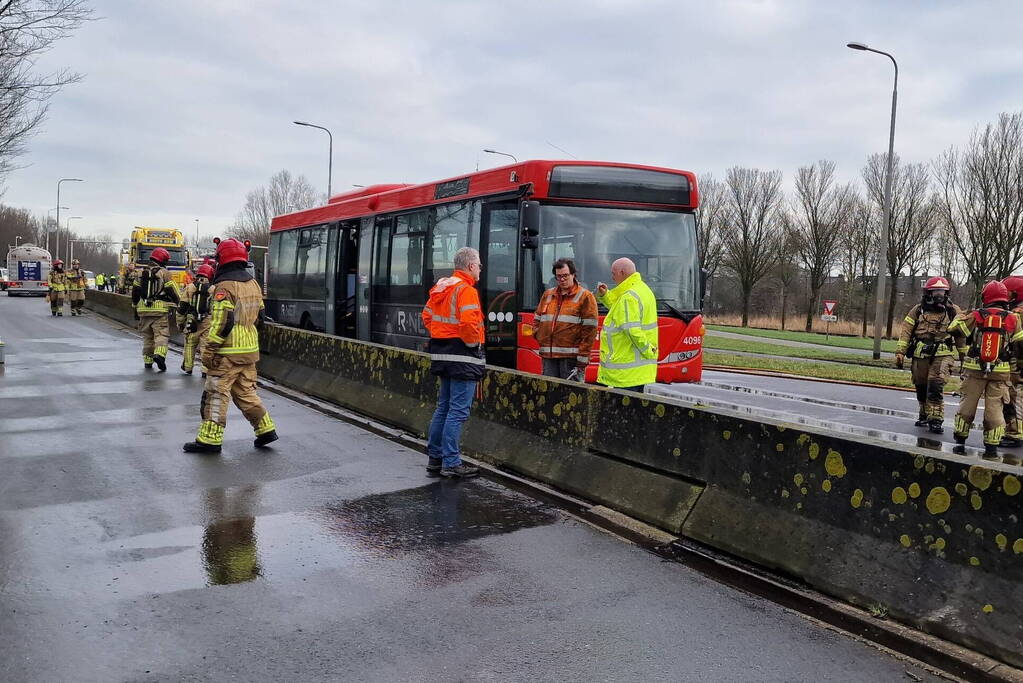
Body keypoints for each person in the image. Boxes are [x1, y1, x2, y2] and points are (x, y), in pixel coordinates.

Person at [183, 238, 277, 454]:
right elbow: (261, 318)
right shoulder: (253, 284)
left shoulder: (224, 287)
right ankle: (266, 429)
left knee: (216, 393)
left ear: (221, 260)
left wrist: (210, 351)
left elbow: (221, 322)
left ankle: (210, 440)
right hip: (249, 350)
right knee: (246, 393)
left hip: (226, 352)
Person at [421, 246, 484, 478]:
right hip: (462, 356)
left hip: (442, 353)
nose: (480, 269)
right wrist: (472, 345)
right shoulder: (466, 290)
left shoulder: (442, 286)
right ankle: (451, 462)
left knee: (443, 408)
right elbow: (469, 325)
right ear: (470, 266)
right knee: (457, 411)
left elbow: (427, 315)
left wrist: (441, 334)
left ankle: (435, 459)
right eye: (478, 264)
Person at [948, 280, 1023, 461]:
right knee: (995, 408)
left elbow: (955, 331)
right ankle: (991, 443)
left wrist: (960, 317)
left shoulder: (977, 315)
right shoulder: (1013, 318)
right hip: (1001, 372)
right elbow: (1020, 345)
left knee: (967, 405)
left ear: (986, 297)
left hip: (974, 370)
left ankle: (961, 437)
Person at [894, 276, 961, 434]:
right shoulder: (918, 310)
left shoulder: (953, 311)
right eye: (935, 291)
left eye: (942, 291)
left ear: (947, 293)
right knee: (920, 385)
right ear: (928, 293)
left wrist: (964, 357)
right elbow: (906, 331)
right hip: (920, 354)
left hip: (943, 355)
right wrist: (900, 352)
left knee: (936, 385)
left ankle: (936, 419)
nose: (939, 294)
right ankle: (923, 413)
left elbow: (961, 336)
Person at [595, 257, 659, 392]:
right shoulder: (643, 290)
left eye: (613, 273)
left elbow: (632, 331)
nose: (612, 277)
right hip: (638, 371)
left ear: (622, 273)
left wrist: (648, 350)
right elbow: (620, 311)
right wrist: (606, 295)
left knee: (623, 410)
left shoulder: (628, 296)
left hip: (626, 373)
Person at [531, 258, 599, 380]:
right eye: (558, 276)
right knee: (550, 394)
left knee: (571, 395)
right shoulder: (548, 295)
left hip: (571, 358)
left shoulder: (585, 296)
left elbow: (590, 331)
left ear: (573, 274)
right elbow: (537, 318)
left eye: (565, 275)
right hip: (548, 356)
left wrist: (582, 358)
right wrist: (539, 335)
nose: (562, 279)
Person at [132, 247, 180, 371]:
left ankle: (148, 361)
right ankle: (159, 355)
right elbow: (173, 291)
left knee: (148, 337)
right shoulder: (164, 273)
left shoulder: (140, 273)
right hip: (159, 310)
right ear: (163, 260)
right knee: (161, 335)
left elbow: (135, 293)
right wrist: (179, 303)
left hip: (143, 310)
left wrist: (135, 308)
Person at [178, 263, 215, 375]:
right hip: (207, 321)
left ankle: (188, 367)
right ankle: (205, 370)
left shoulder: (190, 287)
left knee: (190, 344)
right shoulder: (213, 289)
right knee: (205, 346)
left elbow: (182, 307)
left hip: (191, 320)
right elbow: (215, 308)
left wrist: (180, 323)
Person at [1001, 275, 1023, 448]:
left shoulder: (1016, 314)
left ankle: (1014, 433)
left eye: (1007, 294)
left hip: (1016, 364)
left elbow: (1016, 341)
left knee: (1012, 398)